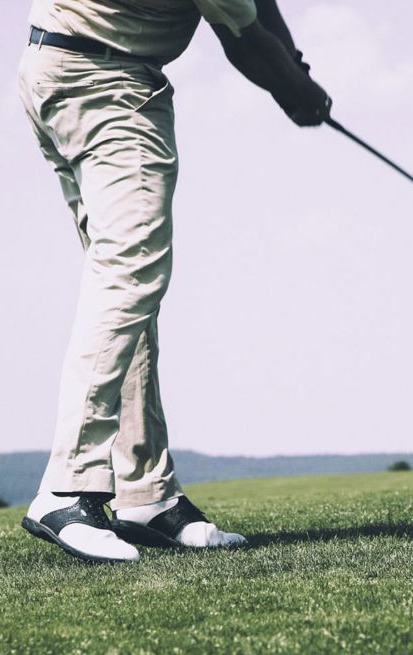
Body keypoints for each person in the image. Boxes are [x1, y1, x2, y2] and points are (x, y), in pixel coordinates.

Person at [17, 0, 331, 563]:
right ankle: (67, 486)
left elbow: (258, 9)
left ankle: (146, 495)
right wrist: (297, 90)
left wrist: (297, 68)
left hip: (56, 67)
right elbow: (245, 37)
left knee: (126, 289)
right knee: (129, 271)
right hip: (108, 83)